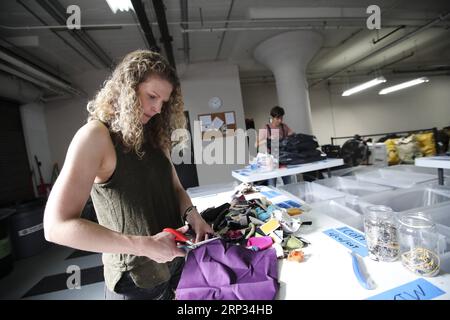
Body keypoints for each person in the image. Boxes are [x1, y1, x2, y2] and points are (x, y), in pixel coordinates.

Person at [43, 50, 213, 300]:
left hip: (174, 268)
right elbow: (56, 227)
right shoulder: (94, 137)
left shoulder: (155, 135)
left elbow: (175, 188)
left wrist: (192, 214)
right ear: (127, 89)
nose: (157, 108)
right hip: (134, 283)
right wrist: (145, 246)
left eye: (163, 103)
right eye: (151, 96)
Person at [257, 106, 295, 187]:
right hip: (271, 161)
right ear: (272, 117)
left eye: (281, 118)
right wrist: (268, 139)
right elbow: (256, 144)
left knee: (289, 184)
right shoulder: (266, 128)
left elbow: (293, 136)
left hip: (284, 159)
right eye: (277, 118)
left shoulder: (284, 127)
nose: (280, 120)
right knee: (272, 185)